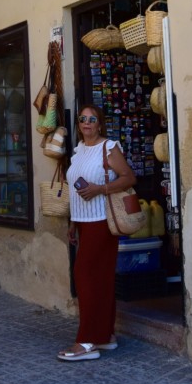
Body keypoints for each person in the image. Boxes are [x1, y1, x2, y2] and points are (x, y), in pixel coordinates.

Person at [58, 104, 137, 361]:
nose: (87, 122)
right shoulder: (79, 150)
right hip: (83, 221)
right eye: (83, 118)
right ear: (79, 124)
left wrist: (100, 189)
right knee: (100, 278)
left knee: (84, 275)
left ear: (100, 123)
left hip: (102, 221)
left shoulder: (109, 147)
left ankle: (86, 341)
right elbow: (74, 189)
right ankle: (105, 336)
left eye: (92, 119)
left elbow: (128, 177)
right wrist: (73, 221)